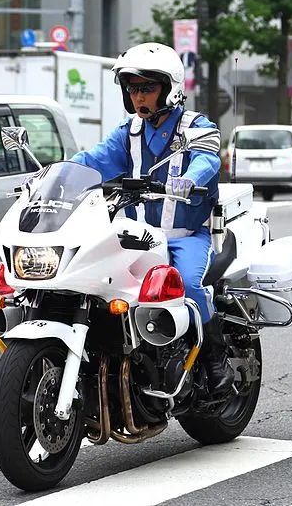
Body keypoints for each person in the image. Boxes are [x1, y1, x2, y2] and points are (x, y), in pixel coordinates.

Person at [70, 42, 234, 394]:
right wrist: (57, 171)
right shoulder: (127, 133)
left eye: (147, 88)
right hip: (137, 236)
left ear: (169, 88)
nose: (139, 96)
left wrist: (189, 179)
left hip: (186, 235)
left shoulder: (196, 126)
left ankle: (214, 359)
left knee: (188, 286)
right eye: (133, 88)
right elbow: (94, 159)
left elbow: (207, 159)